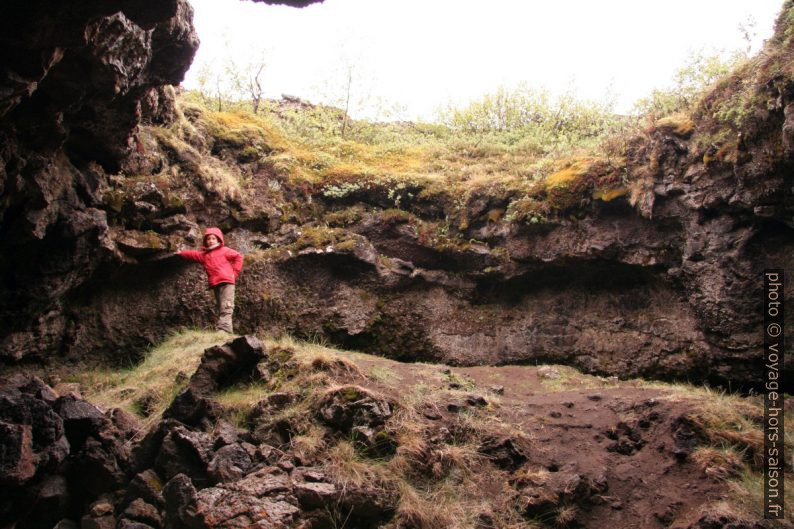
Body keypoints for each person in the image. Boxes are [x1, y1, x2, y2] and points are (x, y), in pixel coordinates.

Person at [177, 227, 243, 334]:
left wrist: (234, 273)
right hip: (216, 284)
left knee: (227, 305)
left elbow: (238, 257)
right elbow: (193, 255)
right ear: (205, 242)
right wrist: (181, 253)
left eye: (213, 238)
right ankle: (227, 331)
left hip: (227, 282)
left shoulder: (225, 250)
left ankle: (224, 329)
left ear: (218, 240)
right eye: (208, 239)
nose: (211, 241)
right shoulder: (205, 255)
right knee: (221, 306)